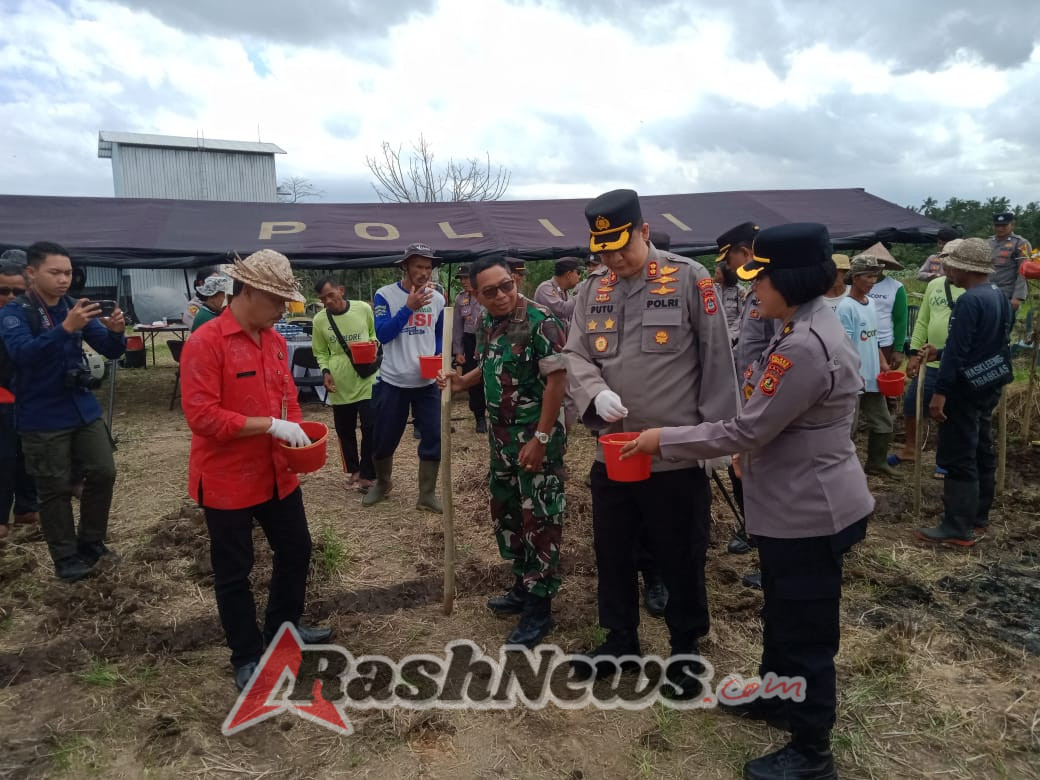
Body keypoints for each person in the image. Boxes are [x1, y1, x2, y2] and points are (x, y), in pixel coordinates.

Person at [620, 222, 872, 780]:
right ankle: (776, 698)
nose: (749, 287)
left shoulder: (807, 346)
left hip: (811, 510)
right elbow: (752, 369)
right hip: (789, 506)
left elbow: (746, 428)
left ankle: (811, 750)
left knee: (806, 632)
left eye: (760, 278)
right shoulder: (797, 324)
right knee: (781, 613)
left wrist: (665, 438)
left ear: (793, 278)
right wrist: (761, 313)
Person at [564, 189, 738, 692]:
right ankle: (621, 639)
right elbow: (575, 354)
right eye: (602, 251)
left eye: (621, 247)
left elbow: (717, 362)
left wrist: (716, 444)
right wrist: (593, 394)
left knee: (681, 552)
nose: (613, 259)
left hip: (673, 453)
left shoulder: (689, 278)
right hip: (614, 452)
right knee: (612, 549)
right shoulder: (592, 289)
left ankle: (685, 648)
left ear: (643, 231)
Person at [180, 249, 331, 691]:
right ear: (249, 291)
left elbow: (285, 397)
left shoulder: (276, 341)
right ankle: (246, 654)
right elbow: (202, 417)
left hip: (276, 471)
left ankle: (284, 628)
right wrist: (270, 424)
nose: (284, 310)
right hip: (227, 478)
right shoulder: (206, 343)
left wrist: (293, 430)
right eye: (278, 301)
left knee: (296, 549)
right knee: (234, 570)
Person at [438, 257, 567, 647]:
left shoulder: (542, 321)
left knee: (540, 519)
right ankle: (521, 586)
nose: (501, 295)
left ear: (516, 282)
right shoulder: (486, 324)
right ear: (475, 294)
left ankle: (540, 609)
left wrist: (541, 439)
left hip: (535, 443)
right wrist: (463, 381)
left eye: (506, 285)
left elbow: (557, 383)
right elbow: (494, 365)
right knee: (509, 514)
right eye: (490, 291)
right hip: (501, 441)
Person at [0, 241, 125, 581]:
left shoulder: (74, 306)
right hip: (41, 413)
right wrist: (65, 329)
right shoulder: (15, 313)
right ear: (32, 272)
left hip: (81, 407)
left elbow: (110, 351)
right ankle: (66, 557)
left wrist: (116, 332)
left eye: (67, 272)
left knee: (103, 471)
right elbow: (23, 354)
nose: (63, 279)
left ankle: (92, 542)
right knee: (53, 487)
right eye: (54, 272)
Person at [917, 238, 1013, 545]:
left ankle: (956, 526)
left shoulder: (969, 301)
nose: (947, 269)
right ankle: (978, 518)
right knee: (981, 447)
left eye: (950, 265)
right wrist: (940, 352)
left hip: (964, 388)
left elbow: (960, 352)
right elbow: (985, 344)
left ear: (963, 268)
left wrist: (940, 392)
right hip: (988, 382)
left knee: (959, 453)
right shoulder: (997, 295)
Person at [365, 242, 446, 512]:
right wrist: (408, 307)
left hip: (426, 384)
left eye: (428, 267)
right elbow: (383, 334)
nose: (424, 272)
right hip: (393, 381)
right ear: (405, 267)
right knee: (384, 438)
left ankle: (426, 494)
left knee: (434, 435)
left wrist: (435, 357)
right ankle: (382, 483)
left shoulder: (438, 299)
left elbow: (437, 333)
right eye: (418, 266)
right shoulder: (384, 295)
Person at [890, 241, 964, 476]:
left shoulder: (973, 290)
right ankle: (911, 448)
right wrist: (913, 354)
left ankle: (948, 458)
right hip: (929, 360)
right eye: (945, 258)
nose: (946, 263)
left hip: (958, 363)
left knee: (951, 411)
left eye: (951, 259)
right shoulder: (935, 285)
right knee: (913, 405)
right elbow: (922, 320)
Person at [312, 276, 378, 492]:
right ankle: (354, 470)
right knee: (344, 429)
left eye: (331, 295)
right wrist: (325, 371)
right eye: (323, 299)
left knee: (371, 426)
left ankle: (368, 474)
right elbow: (320, 351)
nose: (328, 301)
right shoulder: (319, 320)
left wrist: (372, 347)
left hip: (366, 376)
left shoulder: (362, 309)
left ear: (341, 290)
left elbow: (372, 334)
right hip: (339, 381)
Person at [837, 254, 895, 476]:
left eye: (875, 276)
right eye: (869, 276)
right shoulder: (846, 307)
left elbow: (873, 338)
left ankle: (876, 462)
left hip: (872, 376)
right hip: (854, 377)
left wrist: (881, 361)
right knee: (848, 427)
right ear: (856, 278)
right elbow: (845, 346)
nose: (873, 281)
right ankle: (845, 470)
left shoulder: (871, 304)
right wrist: (853, 373)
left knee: (883, 422)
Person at [0, 261, 39, 540]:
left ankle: (26, 508)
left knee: (28, 453)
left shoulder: (31, 319)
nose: (10, 296)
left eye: (17, 291)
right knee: (4, 457)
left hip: (27, 395)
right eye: (3, 290)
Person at [451, 265, 487, 433]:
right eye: (461, 278)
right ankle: (479, 417)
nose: (464, 281)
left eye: (466, 277)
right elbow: (457, 327)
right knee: (473, 381)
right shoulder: (460, 299)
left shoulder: (487, 293)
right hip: (470, 341)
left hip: (488, 339)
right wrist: (458, 351)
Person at [867, 257, 908, 368]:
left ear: (884, 265)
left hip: (885, 343)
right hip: (860, 342)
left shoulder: (896, 287)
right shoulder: (853, 285)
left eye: (878, 264)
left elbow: (901, 320)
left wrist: (898, 349)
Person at [988, 211, 1032, 311]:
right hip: (987, 292)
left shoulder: (1020, 243)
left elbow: (1023, 272)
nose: (1000, 228)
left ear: (1012, 225)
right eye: (997, 225)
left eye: (1004, 225)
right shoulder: (988, 242)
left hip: (1007, 294)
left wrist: (1017, 297)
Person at [533, 257, 580, 331]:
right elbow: (563, 310)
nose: (579, 277)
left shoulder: (564, 291)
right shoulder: (545, 288)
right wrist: (583, 293)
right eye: (578, 273)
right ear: (568, 274)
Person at [714, 257, 746, 346]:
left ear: (725, 276)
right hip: (715, 333)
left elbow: (742, 315)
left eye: (717, 273)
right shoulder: (712, 289)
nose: (714, 275)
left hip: (732, 335)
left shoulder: (739, 291)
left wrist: (731, 335)